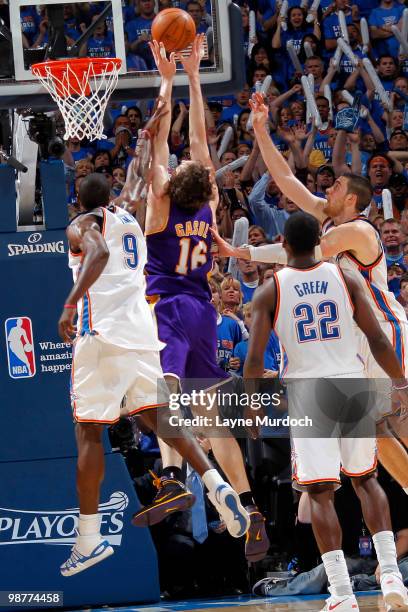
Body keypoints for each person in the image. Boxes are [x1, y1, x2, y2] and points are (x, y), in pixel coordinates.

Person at [57, 118, 250, 578]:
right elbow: (138, 179)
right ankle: (215, 482)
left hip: (100, 335)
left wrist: (70, 302)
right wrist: (150, 134)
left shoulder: (82, 224)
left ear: (81, 203)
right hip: (144, 335)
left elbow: (98, 252)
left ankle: (88, 539)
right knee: (158, 417)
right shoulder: (126, 214)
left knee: (88, 433)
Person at [213, 91, 408, 493]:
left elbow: (307, 252)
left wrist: (246, 250)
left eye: (334, 186)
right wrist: (261, 130)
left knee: (401, 419)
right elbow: (285, 179)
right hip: (358, 340)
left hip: (385, 332)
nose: (326, 190)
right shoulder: (332, 219)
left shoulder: (359, 230)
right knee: (372, 428)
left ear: (350, 198)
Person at [132, 36, 269, 562]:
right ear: (206, 187)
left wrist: (165, 80)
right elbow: (198, 147)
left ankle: (170, 477)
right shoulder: (207, 209)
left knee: (165, 399)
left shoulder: (159, 214)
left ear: (168, 188)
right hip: (204, 313)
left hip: (166, 307)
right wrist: (193, 76)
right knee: (214, 419)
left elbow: (167, 144)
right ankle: (251, 506)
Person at [244, 211, 408, 612]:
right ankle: (391, 575)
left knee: (319, 494)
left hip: (309, 391)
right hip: (352, 383)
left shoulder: (271, 289)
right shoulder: (346, 278)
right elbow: (376, 339)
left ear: (283, 245)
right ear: (320, 241)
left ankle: (341, 593)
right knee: (367, 481)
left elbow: (253, 360)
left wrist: (252, 403)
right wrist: (400, 382)